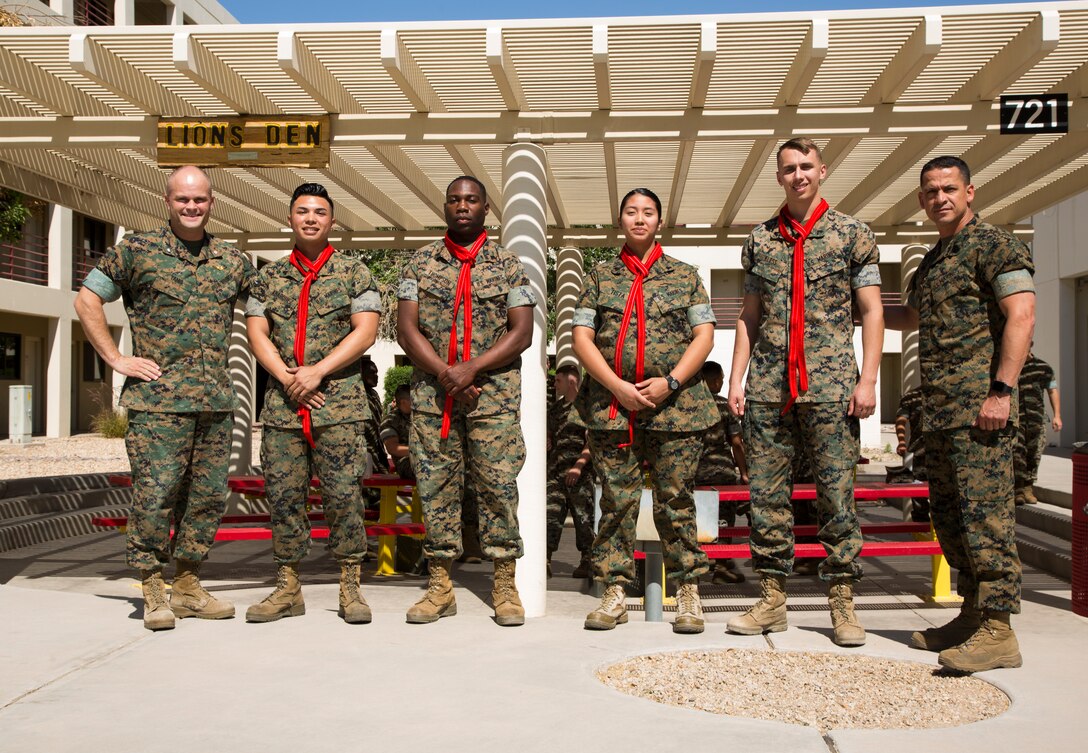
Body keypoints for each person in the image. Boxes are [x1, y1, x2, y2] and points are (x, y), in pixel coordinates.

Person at [74, 166, 254, 631]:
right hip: (157, 404)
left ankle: (189, 585)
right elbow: (87, 300)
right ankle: (153, 587)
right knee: (156, 496)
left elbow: (265, 311)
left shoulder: (231, 261)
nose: (192, 207)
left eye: (200, 200)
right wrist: (115, 358)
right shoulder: (137, 251)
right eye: (183, 200)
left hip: (215, 401)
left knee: (207, 496)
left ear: (212, 202)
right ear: (167, 200)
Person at [725, 138, 884, 647]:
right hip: (770, 387)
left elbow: (873, 311)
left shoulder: (851, 234)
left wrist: (868, 379)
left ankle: (842, 601)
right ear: (779, 177)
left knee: (836, 497)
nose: (798, 176)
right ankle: (772, 599)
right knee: (767, 497)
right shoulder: (761, 240)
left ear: (823, 171)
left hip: (831, 386)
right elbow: (750, 316)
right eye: (789, 168)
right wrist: (736, 378)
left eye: (806, 167)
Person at [885, 155, 1034, 672]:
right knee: (950, 520)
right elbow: (913, 316)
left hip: (982, 412)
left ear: (971, 192)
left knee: (987, 519)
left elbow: (1022, 313)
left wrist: (1001, 390)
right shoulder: (933, 259)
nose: (940, 198)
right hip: (943, 415)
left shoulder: (994, 244)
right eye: (930, 191)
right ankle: (972, 615)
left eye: (950, 188)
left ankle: (999, 630)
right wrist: (858, 307)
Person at [573, 187, 716, 634]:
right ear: (621, 220)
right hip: (613, 409)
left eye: (648, 212)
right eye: (631, 212)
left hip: (676, 409)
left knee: (676, 499)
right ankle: (614, 592)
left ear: (660, 221)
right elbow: (581, 339)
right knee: (616, 501)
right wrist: (616, 387)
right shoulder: (599, 277)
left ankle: (688, 593)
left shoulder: (685, 275)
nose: (639, 219)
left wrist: (670, 382)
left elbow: (704, 335)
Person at [396, 175, 535, 627]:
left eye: (471, 200)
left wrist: (471, 369)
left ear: (486, 208)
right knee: (436, 490)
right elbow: (406, 329)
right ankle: (439, 587)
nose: (462, 206)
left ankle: (504, 585)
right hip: (434, 398)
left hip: (492, 399)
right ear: (445, 206)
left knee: (497, 488)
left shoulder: (510, 266)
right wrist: (446, 373)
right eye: (454, 200)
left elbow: (522, 333)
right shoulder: (419, 264)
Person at [244, 183, 381, 624]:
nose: (310, 218)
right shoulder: (266, 277)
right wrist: (287, 377)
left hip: (337, 406)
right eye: (302, 211)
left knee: (344, 496)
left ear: (332, 221)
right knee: (284, 497)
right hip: (284, 406)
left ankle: (350, 586)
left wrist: (317, 371)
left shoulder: (355, 272)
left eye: (319, 212)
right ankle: (287, 588)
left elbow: (365, 331)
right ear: (289, 218)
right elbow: (256, 332)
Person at [693, 360, 748, 585]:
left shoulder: (692, 407)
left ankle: (701, 562)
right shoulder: (725, 406)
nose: (722, 383)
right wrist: (744, 472)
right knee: (724, 520)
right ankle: (722, 566)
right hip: (722, 473)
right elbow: (736, 442)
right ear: (714, 381)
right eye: (722, 380)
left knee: (701, 519)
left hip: (697, 472)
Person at [547, 363, 595, 579]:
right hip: (556, 473)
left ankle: (587, 561)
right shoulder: (555, 410)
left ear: (572, 381)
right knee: (550, 516)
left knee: (583, 520)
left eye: (558, 380)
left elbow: (592, 441)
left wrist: (578, 466)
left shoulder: (586, 408)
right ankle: (545, 559)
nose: (554, 384)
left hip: (580, 475)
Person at [1015, 352, 1061, 505]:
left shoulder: (1043, 368)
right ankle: (1018, 490)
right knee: (1017, 453)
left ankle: (1028, 488)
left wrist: (1057, 416)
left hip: (1037, 419)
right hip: (1017, 419)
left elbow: (1052, 391)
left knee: (1035, 454)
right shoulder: (1012, 366)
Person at [892, 386, 930, 522]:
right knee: (919, 494)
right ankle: (921, 527)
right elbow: (901, 420)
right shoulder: (911, 396)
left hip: (945, 451)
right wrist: (901, 441)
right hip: (922, 452)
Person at [380, 383, 415, 480]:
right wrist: (419, 451)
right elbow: (393, 448)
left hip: (424, 457)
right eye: (413, 399)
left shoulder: (418, 416)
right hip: (406, 462)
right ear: (403, 402)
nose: (417, 402)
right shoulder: (390, 420)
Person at [361, 358, 390, 474]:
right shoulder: (358, 396)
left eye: (376, 373)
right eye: (372, 372)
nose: (376, 376)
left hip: (378, 450)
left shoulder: (374, 394)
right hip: (365, 451)